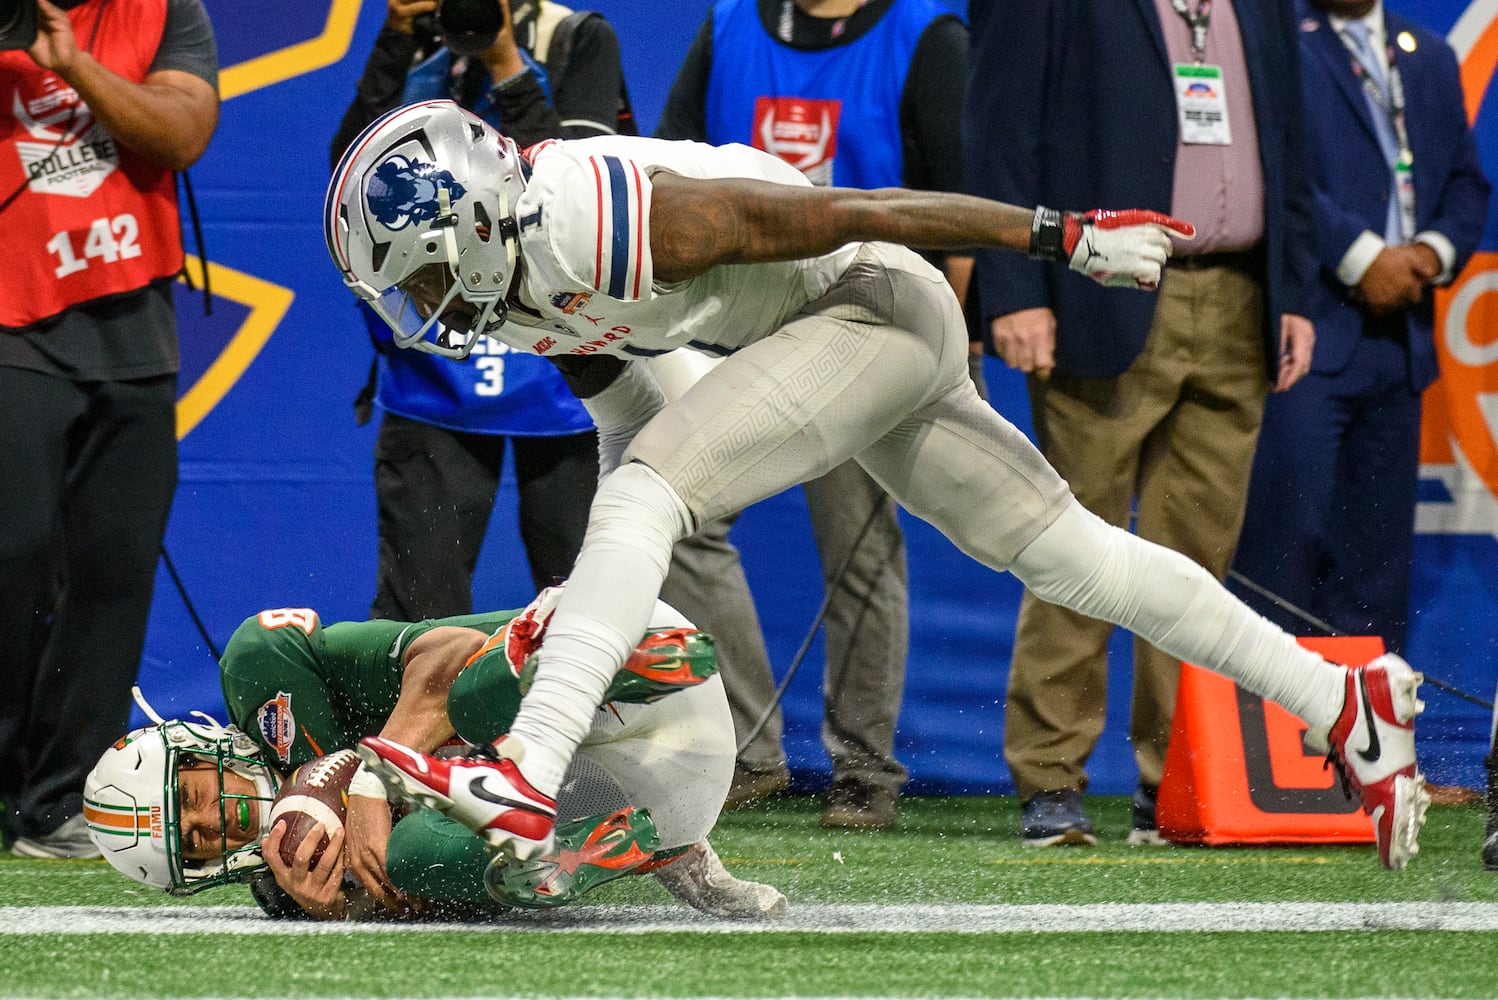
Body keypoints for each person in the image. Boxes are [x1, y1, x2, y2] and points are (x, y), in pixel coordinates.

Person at [326, 99, 1429, 872]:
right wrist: (599, 604)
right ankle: (1342, 700)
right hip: (838, 336)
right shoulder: (518, 291)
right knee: (1072, 556)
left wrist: (1060, 237)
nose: (420, 304)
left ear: (468, 218)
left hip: (868, 300)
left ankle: (524, 770)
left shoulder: (606, 216)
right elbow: (634, 428)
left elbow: (863, 210)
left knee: (646, 499)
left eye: (417, 270)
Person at [963, 0, 1318, 847]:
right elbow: (998, 128)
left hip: (1239, 297)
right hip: (1105, 289)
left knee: (1199, 563)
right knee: (1075, 550)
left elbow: (1292, 148)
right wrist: (1013, 292)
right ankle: (1050, 778)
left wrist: (1294, 295)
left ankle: (1181, 783)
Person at [648, 0, 973, 829]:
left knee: (858, 549)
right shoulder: (727, 29)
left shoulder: (922, 33)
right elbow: (664, 172)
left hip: (858, 323)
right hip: (728, 317)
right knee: (677, 523)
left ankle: (864, 769)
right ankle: (751, 750)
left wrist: (951, 332)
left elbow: (954, 201)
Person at [82, 591, 788, 921]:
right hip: (661, 796)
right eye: (196, 843)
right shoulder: (306, 888)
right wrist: (355, 907)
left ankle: (632, 662)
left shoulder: (269, 680)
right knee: (410, 856)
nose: (215, 821)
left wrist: (365, 777)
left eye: (189, 797)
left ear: (198, 750)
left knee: (462, 690)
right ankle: (633, 851)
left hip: (618, 664)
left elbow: (446, 654)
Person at [329, 0, 634, 618]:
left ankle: (595, 717)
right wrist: (393, 40)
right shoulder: (417, 39)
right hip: (436, 366)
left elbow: (582, 191)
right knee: (418, 607)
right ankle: (412, 715)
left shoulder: (576, 38)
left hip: (562, 368)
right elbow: (348, 181)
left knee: (588, 601)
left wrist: (505, 62)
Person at [0, 0, 218, 858]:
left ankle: (59, 800)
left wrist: (73, 65)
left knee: (115, 569)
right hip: (12, 319)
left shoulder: (160, 10)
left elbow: (183, 130)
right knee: (10, 552)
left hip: (131, 327)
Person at [1233, 0, 1490, 658]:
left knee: (1374, 573)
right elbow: (1271, 170)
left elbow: (1465, 184)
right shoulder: (1278, 40)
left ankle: (1365, 751)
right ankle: (1269, 751)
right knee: (1277, 560)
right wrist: (1361, 257)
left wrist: (1427, 254)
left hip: (1399, 347)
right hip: (1306, 339)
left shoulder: (1426, 55)